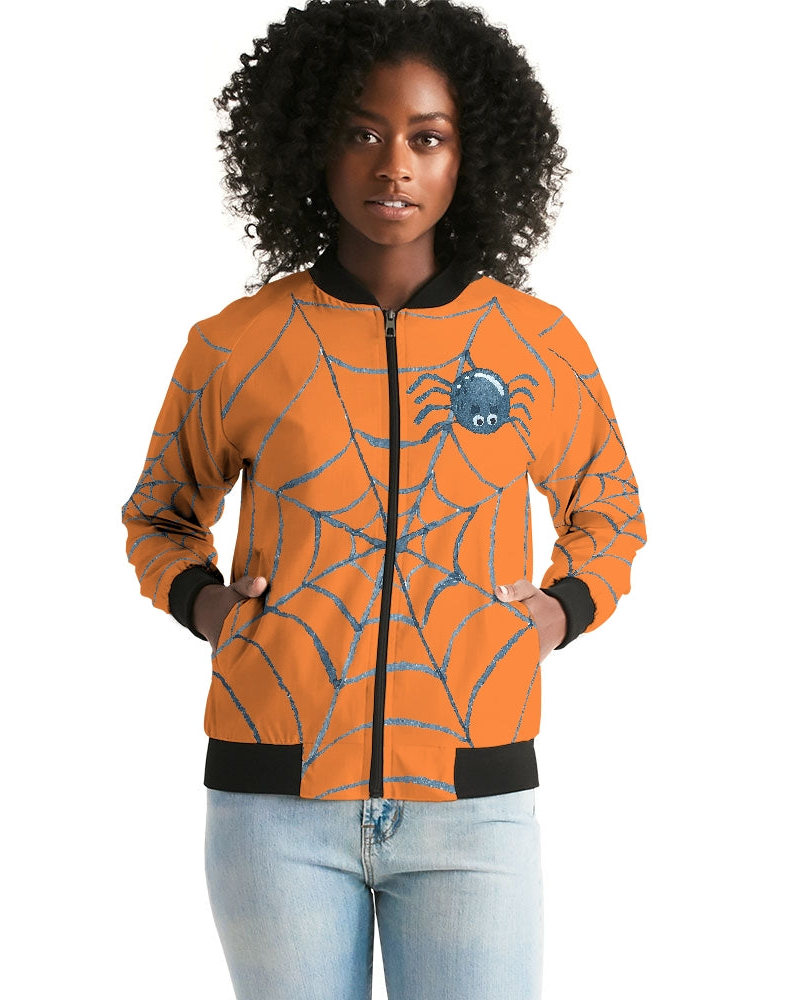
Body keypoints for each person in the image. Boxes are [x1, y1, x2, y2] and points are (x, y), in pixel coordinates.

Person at [122, 1, 646, 997]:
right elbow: (160, 514)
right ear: (308, 146)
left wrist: (556, 613)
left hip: (474, 796)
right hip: (273, 799)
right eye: (361, 133)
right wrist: (209, 606)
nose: (393, 166)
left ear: (470, 156)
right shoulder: (238, 342)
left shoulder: (535, 342)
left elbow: (609, 510)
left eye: (426, 138)